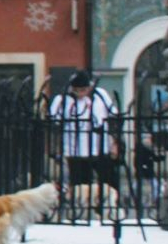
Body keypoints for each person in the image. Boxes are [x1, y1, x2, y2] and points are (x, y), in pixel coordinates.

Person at [50, 70, 121, 204]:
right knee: (81, 186)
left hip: (100, 147)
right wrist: (57, 147)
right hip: (75, 150)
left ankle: (110, 206)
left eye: (84, 89)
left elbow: (114, 117)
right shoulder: (63, 100)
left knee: (108, 182)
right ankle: (83, 210)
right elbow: (54, 124)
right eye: (77, 90)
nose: (81, 93)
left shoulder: (100, 95)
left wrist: (115, 142)